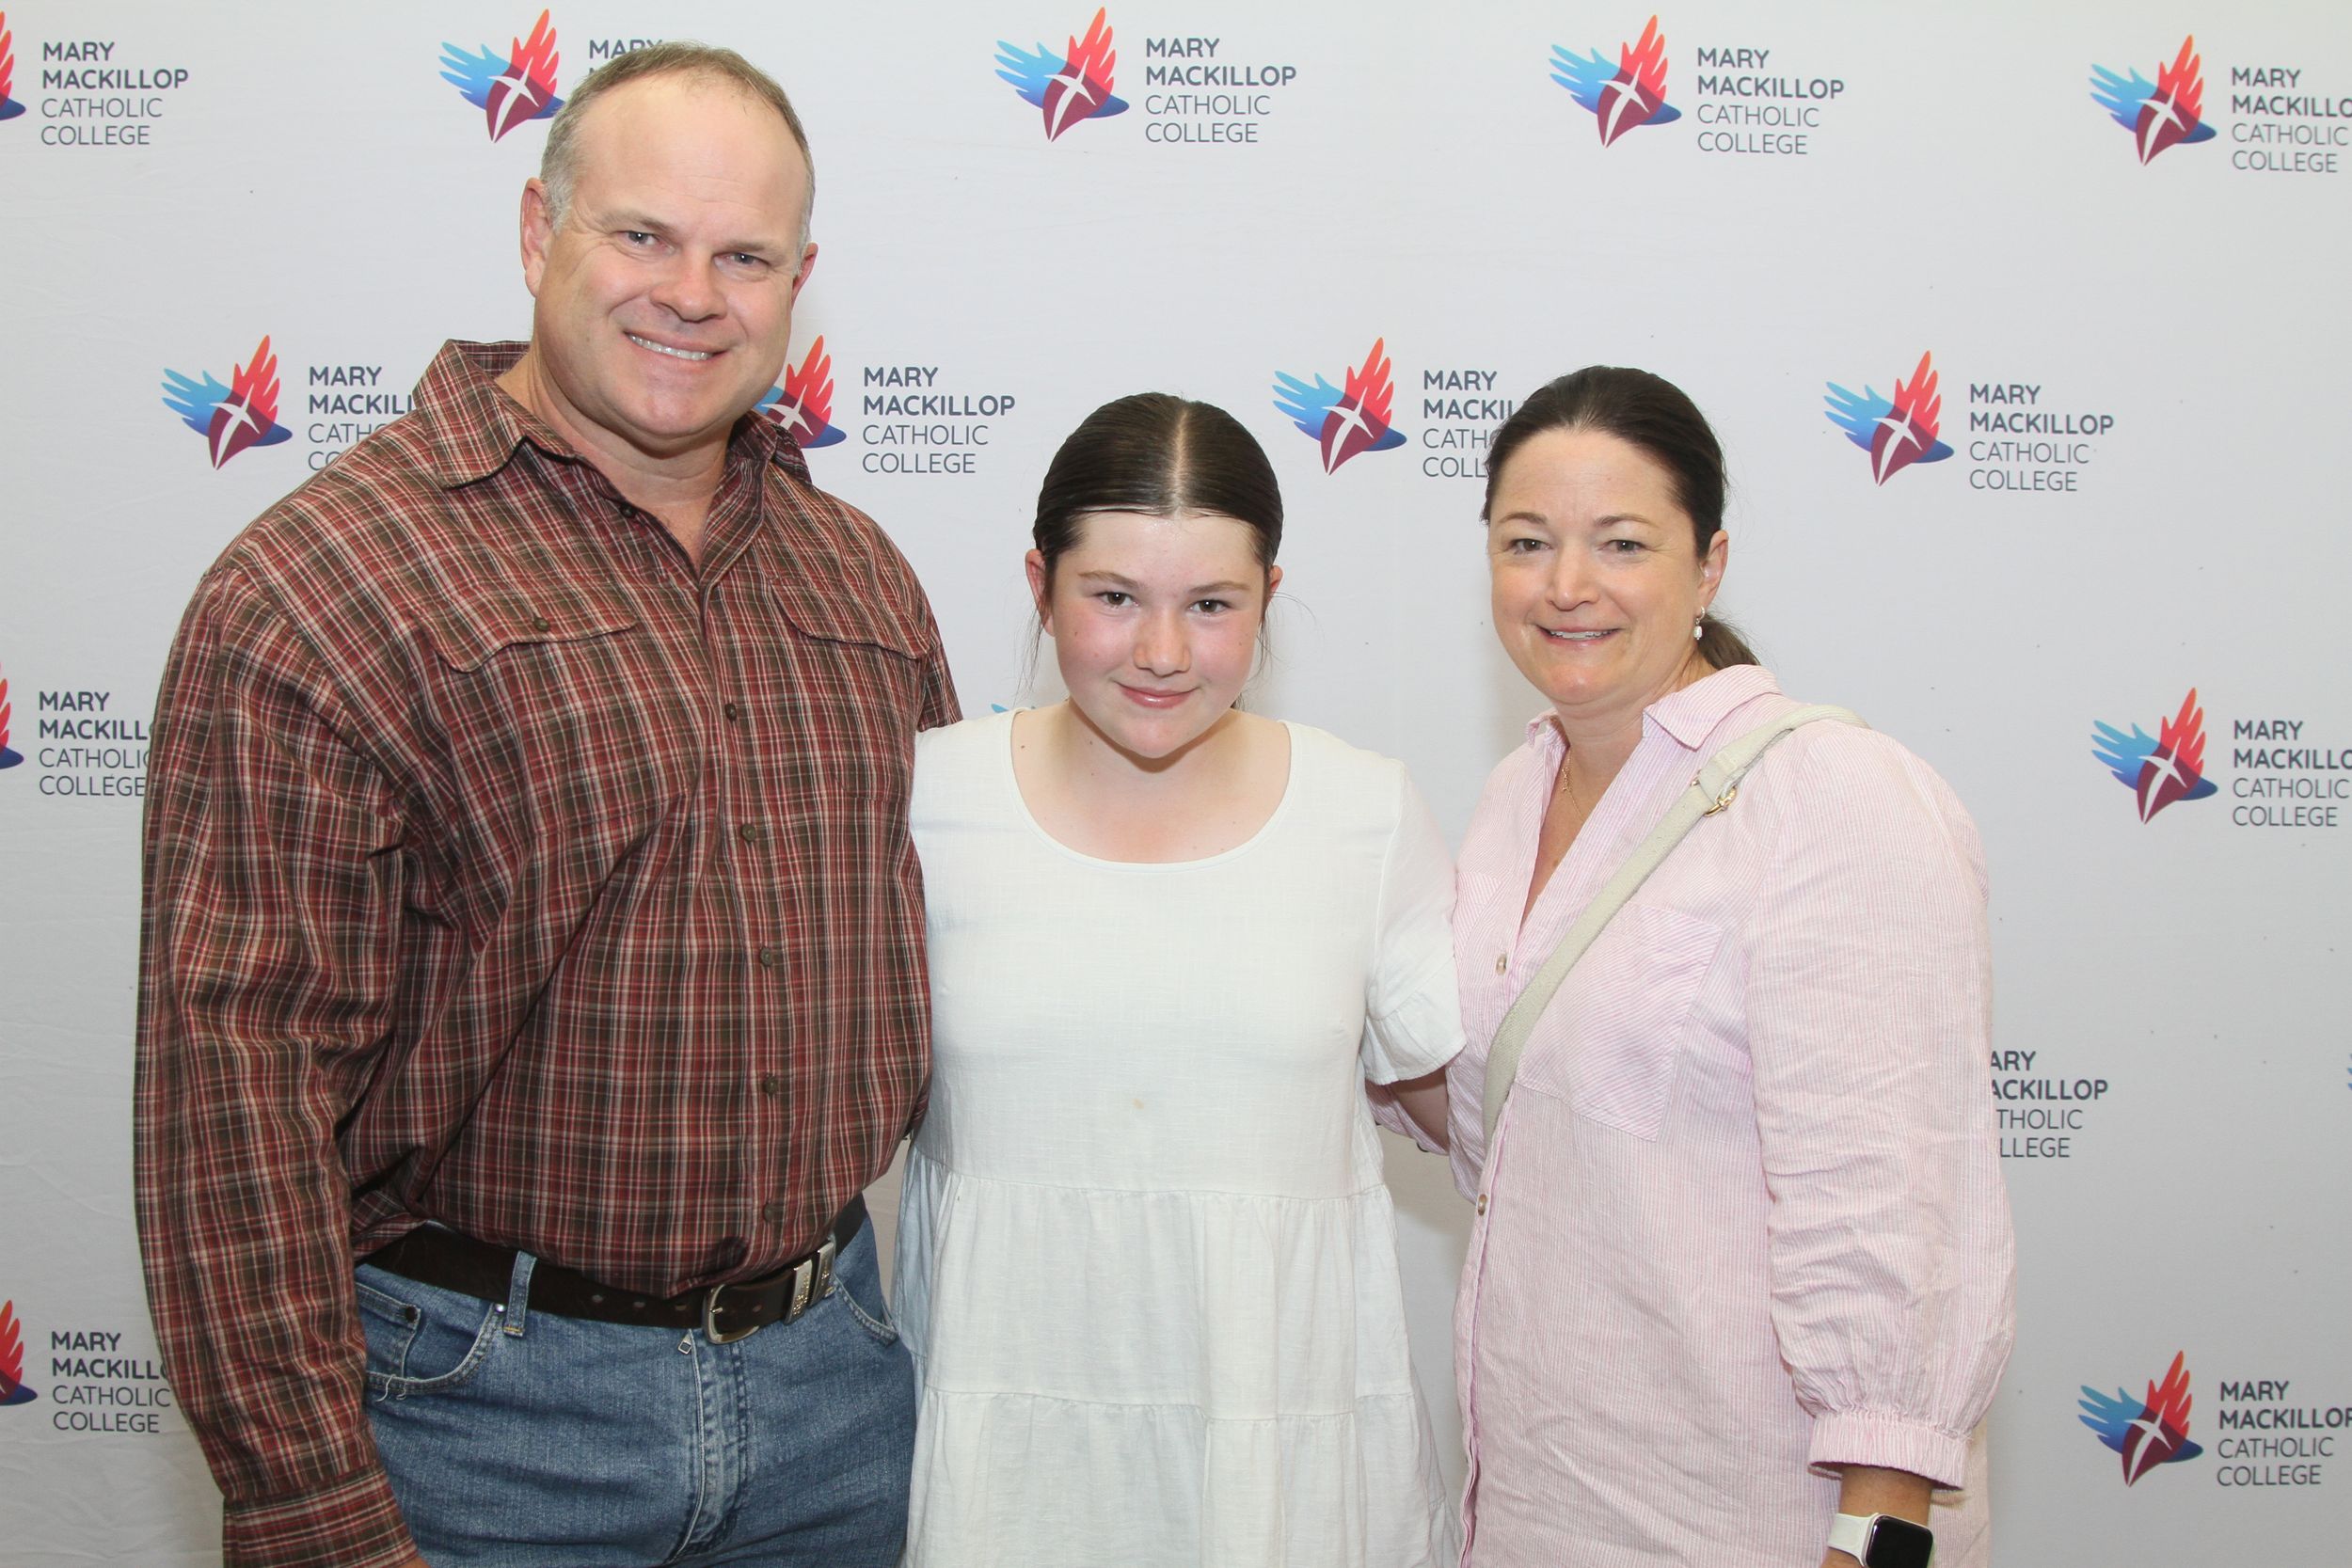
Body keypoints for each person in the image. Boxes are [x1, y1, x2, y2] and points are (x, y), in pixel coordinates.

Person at [134, 44, 954, 1568]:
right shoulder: (326, 585)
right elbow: (233, 1095)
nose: (691, 293)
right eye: (642, 234)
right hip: (479, 1424)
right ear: (536, 231)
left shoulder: (859, 578)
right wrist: (311, 1511)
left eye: (744, 255)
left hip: (836, 1398)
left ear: (799, 281)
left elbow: (959, 950)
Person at [1387, 368, 2013, 1567]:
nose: (1566, 584)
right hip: (1541, 1508)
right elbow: (1510, 1132)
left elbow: (1895, 1207)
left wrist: (1873, 1540)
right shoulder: (1517, 791)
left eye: (1622, 543)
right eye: (1527, 542)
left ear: (1708, 564)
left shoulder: (1830, 796)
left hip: (1754, 1518)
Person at [890, 393, 1462, 1567]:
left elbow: (1484, 1119)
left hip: (1278, 1467)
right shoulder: (924, 797)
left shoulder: (1363, 810)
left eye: (1211, 604)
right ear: (1040, 584)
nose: (1161, 652)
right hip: (1001, 1456)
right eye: (1113, 597)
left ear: (1268, 597)